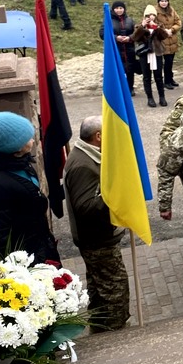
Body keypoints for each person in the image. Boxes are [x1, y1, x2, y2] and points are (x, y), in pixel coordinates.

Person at [62, 116, 129, 331]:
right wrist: (115, 192)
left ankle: (100, 327)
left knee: (99, 287)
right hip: (97, 240)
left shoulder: (86, 156)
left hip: (95, 238)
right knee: (114, 289)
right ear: (98, 136)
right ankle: (114, 331)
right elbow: (86, 207)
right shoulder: (83, 165)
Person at [0, 112, 60, 263]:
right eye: (28, 138)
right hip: (26, 261)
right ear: (14, 147)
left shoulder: (22, 163)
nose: (33, 140)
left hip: (41, 247)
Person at [100, 0, 140, 95]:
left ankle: (130, 88)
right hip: (116, 49)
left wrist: (129, 38)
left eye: (121, 8)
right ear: (113, 9)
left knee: (130, 69)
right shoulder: (108, 20)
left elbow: (136, 33)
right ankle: (118, 89)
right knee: (117, 70)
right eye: (117, 8)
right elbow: (102, 33)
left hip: (129, 49)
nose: (119, 10)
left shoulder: (130, 20)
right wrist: (116, 38)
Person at [133, 5, 168, 107]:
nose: (151, 17)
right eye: (148, 15)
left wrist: (157, 28)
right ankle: (150, 98)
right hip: (145, 54)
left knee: (158, 76)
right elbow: (135, 38)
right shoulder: (139, 26)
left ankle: (162, 97)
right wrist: (142, 27)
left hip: (157, 53)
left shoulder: (159, 25)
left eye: (153, 14)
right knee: (147, 77)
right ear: (145, 16)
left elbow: (164, 36)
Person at [155, 0, 182, 89]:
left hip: (172, 39)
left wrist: (172, 29)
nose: (164, 3)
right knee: (165, 62)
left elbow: (178, 22)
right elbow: (154, 24)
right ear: (159, 2)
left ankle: (170, 78)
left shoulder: (172, 10)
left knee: (170, 61)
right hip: (162, 40)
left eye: (165, 1)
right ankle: (166, 81)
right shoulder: (155, 11)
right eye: (162, 1)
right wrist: (164, 31)